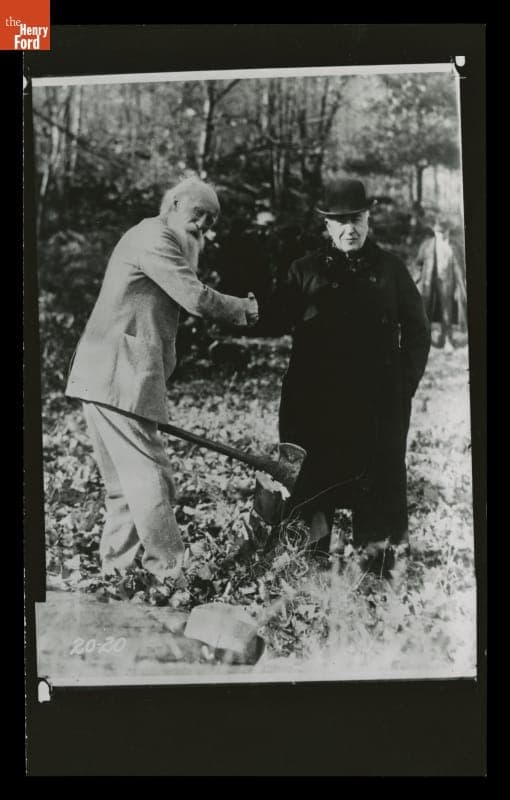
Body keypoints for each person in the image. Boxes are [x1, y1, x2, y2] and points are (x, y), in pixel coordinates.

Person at [66, 178, 259, 583]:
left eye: (210, 222)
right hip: (118, 377)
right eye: (198, 214)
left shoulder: (154, 237)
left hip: (106, 376)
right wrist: (248, 309)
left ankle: (116, 571)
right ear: (173, 203)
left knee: (125, 486)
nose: (203, 226)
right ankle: (172, 573)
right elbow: (197, 298)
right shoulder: (154, 237)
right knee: (154, 477)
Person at [264, 178, 431, 566]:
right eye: (339, 221)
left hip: (376, 405)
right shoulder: (304, 270)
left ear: (368, 218)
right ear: (326, 225)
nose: (349, 228)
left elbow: (419, 331)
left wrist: (402, 385)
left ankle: (376, 562)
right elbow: (271, 318)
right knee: (313, 483)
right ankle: (310, 565)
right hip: (315, 404)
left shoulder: (390, 270)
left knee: (377, 481)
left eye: (356, 218)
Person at [415, 215, 467, 352]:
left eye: (444, 232)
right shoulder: (427, 245)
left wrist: (460, 286)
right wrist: (417, 279)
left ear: (449, 231)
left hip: (448, 283)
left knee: (447, 311)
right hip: (429, 282)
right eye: (438, 232)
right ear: (434, 231)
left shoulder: (455, 247)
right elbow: (419, 264)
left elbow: (461, 268)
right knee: (425, 311)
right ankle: (423, 340)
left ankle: (447, 340)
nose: (441, 235)